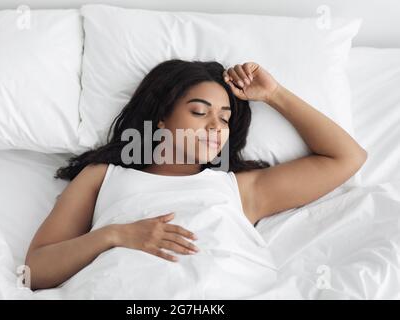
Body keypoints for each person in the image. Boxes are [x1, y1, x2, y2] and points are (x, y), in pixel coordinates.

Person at [25, 60, 367, 290]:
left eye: (224, 118)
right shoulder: (104, 176)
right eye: (199, 111)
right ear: (162, 118)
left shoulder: (238, 187)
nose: (215, 127)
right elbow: (34, 271)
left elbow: (347, 157)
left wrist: (274, 95)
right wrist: (116, 235)